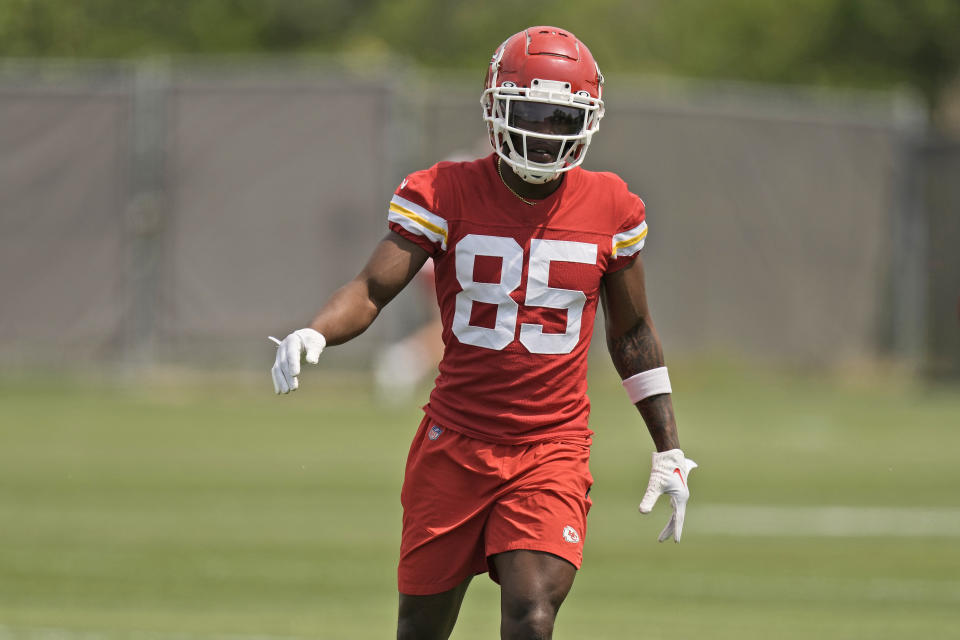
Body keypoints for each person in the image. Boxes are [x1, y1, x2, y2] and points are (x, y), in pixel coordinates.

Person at [270, 25, 697, 640]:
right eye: (531, 111)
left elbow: (631, 335)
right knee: (420, 628)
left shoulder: (611, 207)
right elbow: (371, 289)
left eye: (561, 116)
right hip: (455, 442)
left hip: (552, 446)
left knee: (531, 612)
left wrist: (668, 446)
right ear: (497, 107)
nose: (544, 131)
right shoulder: (444, 191)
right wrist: (316, 333)